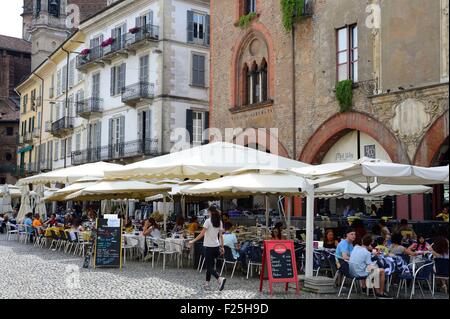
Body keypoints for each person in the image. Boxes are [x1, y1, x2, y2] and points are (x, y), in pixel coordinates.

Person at [189, 206, 227, 291]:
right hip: (216, 247)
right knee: (210, 265)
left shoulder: (207, 221)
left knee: (209, 267)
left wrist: (193, 241)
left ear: (210, 212)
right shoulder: (219, 222)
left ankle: (219, 279)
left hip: (209, 247)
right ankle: (207, 283)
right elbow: (221, 236)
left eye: (208, 212)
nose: (207, 213)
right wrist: (222, 247)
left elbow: (202, 234)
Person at [349, 234, 390, 298]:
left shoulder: (356, 247)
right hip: (359, 273)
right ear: (371, 243)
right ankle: (381, 292)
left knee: (375, 270)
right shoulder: (366, 253)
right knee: (381, 271)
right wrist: (375, 258)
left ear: (362, 241)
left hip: (351, 271)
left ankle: (376, 290)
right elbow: (370, 266)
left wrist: (372, 253)